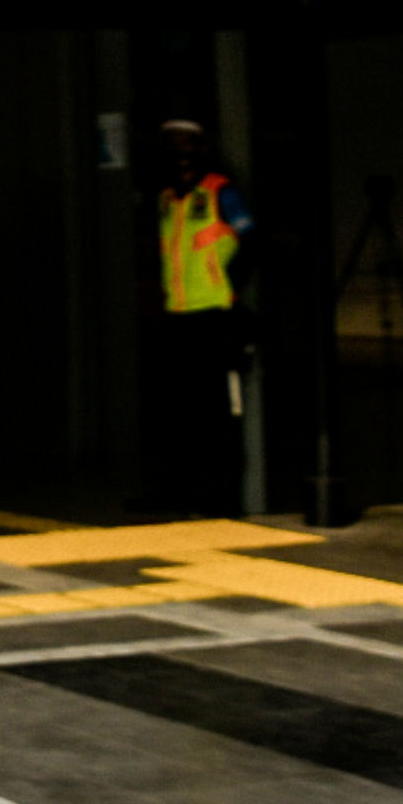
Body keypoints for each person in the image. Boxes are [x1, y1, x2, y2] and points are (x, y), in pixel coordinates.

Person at [148, 118, 251, 515]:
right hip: (177, 316)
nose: (179, 154)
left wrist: (231, 286)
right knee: (177, 411)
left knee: (216, 414)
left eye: (185, 144)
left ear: (201, 148)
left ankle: (220, 499)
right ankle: (180, 493)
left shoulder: (220, 192)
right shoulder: (166, 198)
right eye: (171, 145)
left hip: (214, 316)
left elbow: (250, 240)